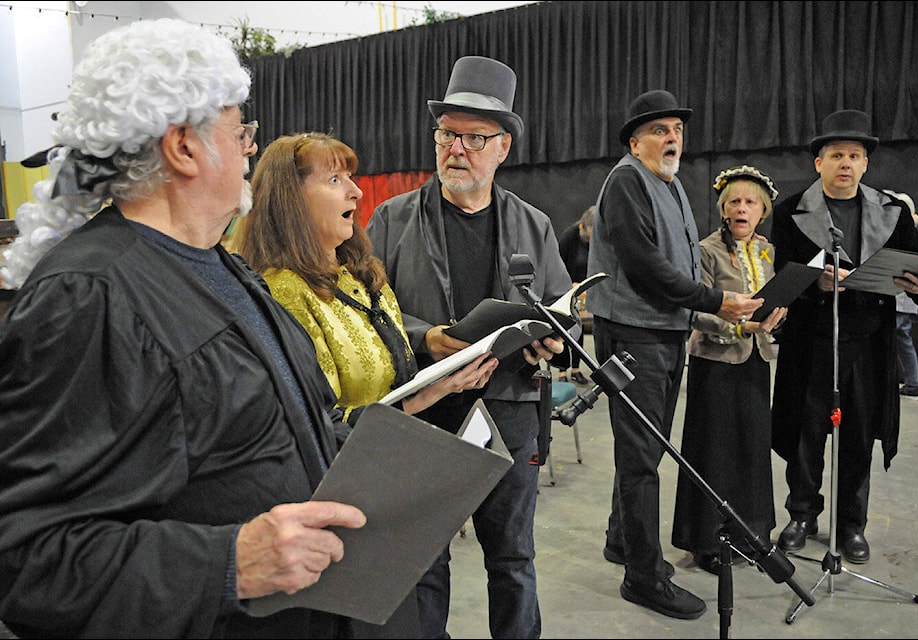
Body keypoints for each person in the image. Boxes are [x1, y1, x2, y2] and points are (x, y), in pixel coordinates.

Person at [0, 19, 380, 639]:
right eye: (241, 132)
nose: (251, 150)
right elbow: (28, 557)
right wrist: (227, 565)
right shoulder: (89, 295)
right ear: (183, 147)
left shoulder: (220, 265)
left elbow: (264, 434)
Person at [232, 132, 500, 637]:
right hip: (347, 496)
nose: (356, 192)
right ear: (291, 201)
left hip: (396, 472)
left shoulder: (358, 273)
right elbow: (317, 422)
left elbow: (392, 384)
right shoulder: (282, 290)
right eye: (336, 180)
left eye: (351, 178)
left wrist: (441, 386)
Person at [366, 55, 570, 639]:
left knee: (513, 560)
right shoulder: (391, 219)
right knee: (424, 561)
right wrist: (424, 337)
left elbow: (562, 307)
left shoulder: (533, 224)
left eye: (474, 138)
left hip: (509, 410)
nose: (457, 148)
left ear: (503, 147)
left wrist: (553, 341)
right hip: (425, 409)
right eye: (447, 134)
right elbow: (365, 314)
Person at [585, 89, 762, 620]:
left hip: (662, 333)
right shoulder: (625, 182)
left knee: (646, 451)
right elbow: (644, 266)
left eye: (677, 131)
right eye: (660, 130)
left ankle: (623, 541)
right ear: (635, 141)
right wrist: (716, 302)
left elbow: (676, 268)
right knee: (641, 461)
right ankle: (642, 576)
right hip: (634, 336)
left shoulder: (673, 185)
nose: (672, 139)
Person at [770, 109, 918, 565]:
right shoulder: (789, 213)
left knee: (859, 433)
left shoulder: (895, 212)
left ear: (866, 163)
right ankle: (802, 514)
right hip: (811, 342)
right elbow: (779, 275)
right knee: (807, 433)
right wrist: (814, 283)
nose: (846, 162)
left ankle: (851, 524)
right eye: (836, 154)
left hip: (868, 343)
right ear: (818, 163)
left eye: (855, 155)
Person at [670, 165, 788, 575]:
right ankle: (707, 543)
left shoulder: (767, 251)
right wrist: (739, 324)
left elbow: (773, 299)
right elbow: (694, 309)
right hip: (715, 363)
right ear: (723, 209)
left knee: (752, 451)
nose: (742, 208)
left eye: (750, 202)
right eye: (734, 201)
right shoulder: (705, 251)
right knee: (714, 452)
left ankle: (752, 536)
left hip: (756, 362)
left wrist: (776, 318)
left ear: (762, 210)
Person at [882, 190, 918, 400]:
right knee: (903, 341)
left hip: (901, 299)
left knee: (898, 341)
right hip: (904, 300)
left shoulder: (903, 232)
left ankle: (912, 384)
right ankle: (912, 383)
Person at [557, 205, 594, 385]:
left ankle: (576, 369)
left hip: (583, 291)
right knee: (565, 329)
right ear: (582, 227)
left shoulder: (594, 242)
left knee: (579, 332)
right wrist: (569, 285)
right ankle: (562, 371)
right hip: (566, 289)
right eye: (589, 235)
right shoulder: (569, 236)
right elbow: (557, 265)